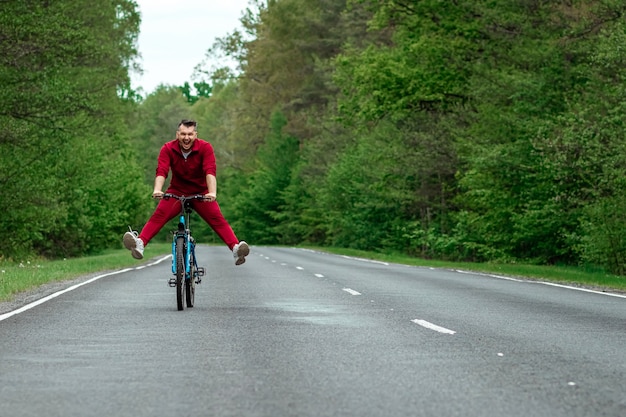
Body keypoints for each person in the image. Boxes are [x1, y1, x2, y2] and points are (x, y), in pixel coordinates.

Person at [123, 119, 249, 265]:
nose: (186, 138)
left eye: (190, 134)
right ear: (177, 134)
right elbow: (162, 170)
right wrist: (157, 189)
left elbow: (210, 170)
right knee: (159, 215)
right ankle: (140, 244)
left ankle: (235, 249)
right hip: (177, 192)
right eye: (183, 134)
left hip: (201, 193)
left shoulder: (205, 148)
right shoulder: (168, 148)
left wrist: (212, 192)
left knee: (217, 218)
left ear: (195, 135)